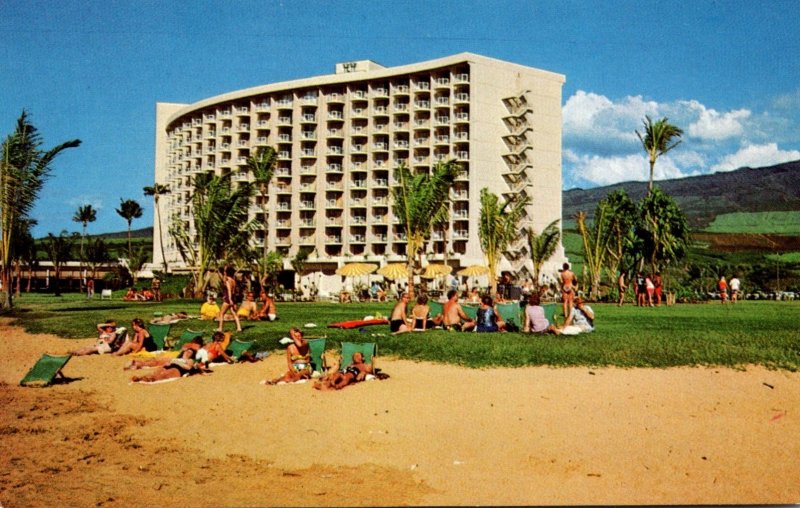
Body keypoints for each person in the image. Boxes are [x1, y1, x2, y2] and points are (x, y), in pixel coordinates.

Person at [130, 342, 204, 383]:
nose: (187, 353)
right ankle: (141, 378)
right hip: (171, 365)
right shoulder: (178, 357)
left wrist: (176, 362)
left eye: (190, 352)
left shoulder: (189, 360)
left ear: (192, 355)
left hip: (178, 369)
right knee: (158, 371)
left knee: (165, 374)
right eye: (187, 351)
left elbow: (188, 367)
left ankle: (151, 379)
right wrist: (169, 363)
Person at [126, 337, 204, 370]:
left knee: (155, 362)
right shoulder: (193, 350)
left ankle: (137, 364)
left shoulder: (190, 350)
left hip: (175, 360)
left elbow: (185, 357)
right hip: (175, 360)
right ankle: (137, 364)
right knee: (155, 362)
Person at [218, 266, 242, 332]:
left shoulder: (228, 280)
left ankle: (220, 328)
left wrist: (230, 299)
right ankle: (239, 328)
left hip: (229, 298)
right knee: (234, 314)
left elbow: (229, 290)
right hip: (234, 298)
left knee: (221, 313)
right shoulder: (233, 280)